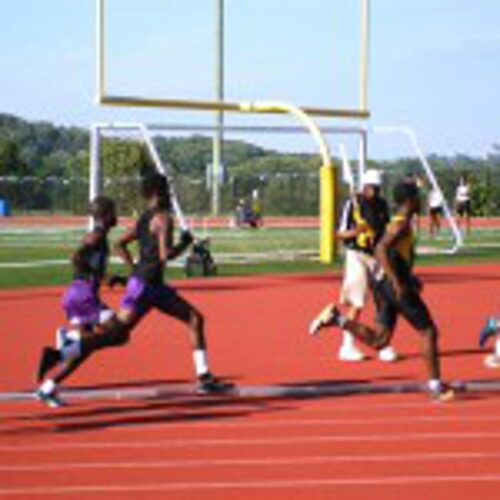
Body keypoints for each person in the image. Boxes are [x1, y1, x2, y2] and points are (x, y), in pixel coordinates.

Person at [36, 173, 233, 405]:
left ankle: (205, 378)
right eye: (167, 190)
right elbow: (165, 255)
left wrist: (133, 271)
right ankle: (64, 350)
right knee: (116, 335)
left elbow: (119, 244)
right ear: (158, 193)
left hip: (149, 285)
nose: (170, 194)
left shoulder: (143, 219)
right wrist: (184, 243)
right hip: (147, 287)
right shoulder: (162, 218)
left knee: (190, 319)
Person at [310, 181, 454, 401]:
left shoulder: (398, 222)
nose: (420, 201)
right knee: (428, 331)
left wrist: (407, 276)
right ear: (410, 200)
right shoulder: (401, 224)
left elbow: (394, 254)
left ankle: (337, 319)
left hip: (382, 284)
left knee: (380, 340)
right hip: (393, 286)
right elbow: (381, 249)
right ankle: (435, 388)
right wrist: (398, 281)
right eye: (417, 197)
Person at [35, 196, 124, 407]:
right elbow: (75, 258)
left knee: (84, 349)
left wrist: (113, 278)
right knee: (120, 334)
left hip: (77, 295)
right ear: (103, 216)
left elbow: (87, 265)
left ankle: (48, 388)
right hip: (84, 296)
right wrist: (99, 277)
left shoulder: (100, 237)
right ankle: (61, 350)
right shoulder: (97, 237)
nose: (116, 215)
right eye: (112, 211)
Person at [310, 170, 398, 363]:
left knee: (385, 299)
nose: (374, 192)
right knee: (357, 301)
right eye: (371, 188)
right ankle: (347, 346)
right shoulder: (352, 204)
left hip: (376, 255)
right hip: (356, 255)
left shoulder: (382, 205)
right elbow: (339, 234)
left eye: (377, 188)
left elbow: (385, 230)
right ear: (364, 186)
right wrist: (356, 231)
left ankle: (382, 343)